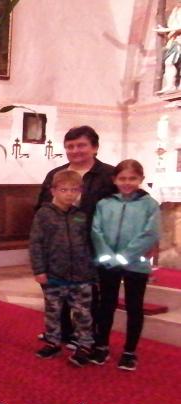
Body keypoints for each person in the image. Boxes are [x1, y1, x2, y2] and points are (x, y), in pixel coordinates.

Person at [36, 126, 116, 348]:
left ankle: (88, 337)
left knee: (87, 296)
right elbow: (41, 207)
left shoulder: (109, 175)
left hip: (93, 245)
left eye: (81, 145)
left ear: (95, 147)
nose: (75, 150)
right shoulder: (55, 174)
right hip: (57, 247)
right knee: (56, 292)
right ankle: (62, 333)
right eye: (70, 146)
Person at [89, 160, 161, 371]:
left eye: (132, 178)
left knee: (134, 306)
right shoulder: (105, 204)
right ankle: (101, 345)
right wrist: (108, 256)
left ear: (141, 180)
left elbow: (150, 233)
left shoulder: (149, 205)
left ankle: (130, 351)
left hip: (135, 264)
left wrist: (125, 256)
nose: (127, 183)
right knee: (106, 305)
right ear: (114, 180)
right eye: (122, 178)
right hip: (108, 263)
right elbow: (96, 231)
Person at [30, 170, 97, 366]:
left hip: (80, 275)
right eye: (63, 189)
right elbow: (36, 243)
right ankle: (53, 341)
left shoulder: (80, 215)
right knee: (53, 311)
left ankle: (85, 345)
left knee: (83, 313)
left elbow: (88, 243)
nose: (69, 194)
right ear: (53, 191)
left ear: (80, 191)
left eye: (74, 190)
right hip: (53, 274)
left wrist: (91, 271)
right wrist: (39, 270)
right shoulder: (44, 214)